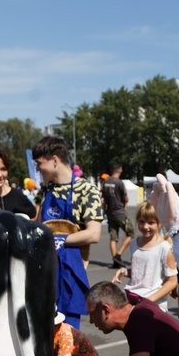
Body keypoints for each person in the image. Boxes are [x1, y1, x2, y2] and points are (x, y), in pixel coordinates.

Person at [33, 136, 104, 329]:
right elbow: (38, 222)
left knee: (67, 336)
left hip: (69, 273)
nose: (37, 169)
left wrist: (56, 239)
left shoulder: (86, 190)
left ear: (54, 160)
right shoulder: (45, 189)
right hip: (44, 271)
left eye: (39, 164)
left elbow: (93, 234)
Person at [112, 202, 177, 311]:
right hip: (132, 298)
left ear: (159, 223)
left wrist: (149, 301)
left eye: (151, 222)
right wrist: (124, 271)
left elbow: (172, 281)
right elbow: (142, 272)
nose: (145, 226)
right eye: (141, 222)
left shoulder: (164, 247)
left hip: (154, 305)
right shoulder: (134, 243)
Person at [101, 163, 133, 268]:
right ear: (120, 170)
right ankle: (118, 255)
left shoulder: (105, 182)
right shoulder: (119, 183)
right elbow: (126, 198)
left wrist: (105, 211)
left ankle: (115, 260)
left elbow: (104, 200)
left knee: (113, 237)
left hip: (110, 212)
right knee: (130, 233)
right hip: (120, 212)